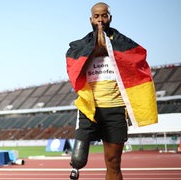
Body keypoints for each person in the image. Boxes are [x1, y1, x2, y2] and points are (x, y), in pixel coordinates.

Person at [66, 2, 158, 180]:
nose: (100, 19)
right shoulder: (81, 46)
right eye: (96, 16)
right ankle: (76, 167)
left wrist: (109, 46)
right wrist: (95, 46)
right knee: (77, 158)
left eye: (104, 15)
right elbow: (72, 60)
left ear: (110, 17)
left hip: (115, 110)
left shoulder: (123, 44)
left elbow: (137, 56)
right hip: (89, 110)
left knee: (113, 162)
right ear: (90, 19)